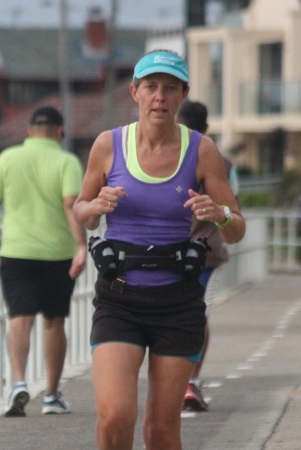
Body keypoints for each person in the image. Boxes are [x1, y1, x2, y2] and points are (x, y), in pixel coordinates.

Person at [73, 50, 245, 450]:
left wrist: (219, 214)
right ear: (135, 92)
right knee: (115, 416)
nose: (160, 97)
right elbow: (81, 211)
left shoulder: (201, 150)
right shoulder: (108, 145)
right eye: (151, 87)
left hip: (177, 302)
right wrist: (95, 206)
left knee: (162, 430)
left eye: (170, 88)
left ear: (183, 94)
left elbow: (236, 229)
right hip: (119, 299)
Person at [0, 106, 87, 417]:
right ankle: (51, 396)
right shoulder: (67, 161)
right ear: (60, 131)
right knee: (54, 321)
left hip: (16, 251)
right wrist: (81, 245)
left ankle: (18, 382)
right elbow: (70, 205)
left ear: (29, 131)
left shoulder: (7, 158)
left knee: (19, 317)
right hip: (58, 254)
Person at [176, 100, 239, 412]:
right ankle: (191, 381)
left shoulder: (168, 155)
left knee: (178, 315)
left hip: (171, 250)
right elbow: (234, 204)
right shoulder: (224, 163)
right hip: (208, 251)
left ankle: (182, 382)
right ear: (207, 127)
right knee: (198, 315)